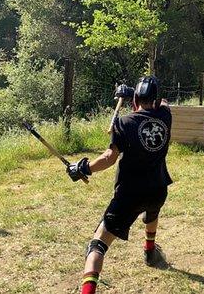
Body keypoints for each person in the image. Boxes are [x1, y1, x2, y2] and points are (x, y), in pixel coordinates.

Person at [66, 76, 173, 294]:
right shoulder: (165, 116)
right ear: (156, 98)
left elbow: (109, 158)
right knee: (152, 213)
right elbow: (164, 103)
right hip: (158, 189)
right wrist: (134, 93)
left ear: (135, 99)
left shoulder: (124, 123)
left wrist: (83, 168)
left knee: (97, 245)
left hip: (129, 195)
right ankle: (150, 250)